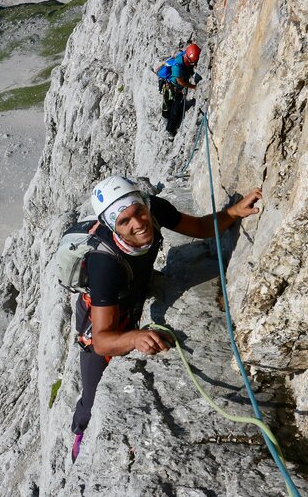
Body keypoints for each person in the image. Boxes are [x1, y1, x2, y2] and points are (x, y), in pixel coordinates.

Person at [70, 175, 262, 461]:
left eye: (138, 212)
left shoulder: (154, 209)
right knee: (93, 390)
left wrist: (231, 213)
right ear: (113, 227)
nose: (138, 223)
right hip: (102, 315)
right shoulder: (104, 264)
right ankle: (80, 436)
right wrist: (134, 337)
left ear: (144, 204)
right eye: (124, 222)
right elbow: (102, 341)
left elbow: (197, 226)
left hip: (132, 294)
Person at [156, 43, 202, 135]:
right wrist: (194, 87)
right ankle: (170, 130)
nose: (193, 64)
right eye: (192, 62)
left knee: (172, 107)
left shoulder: (186, 54)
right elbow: (180, 81)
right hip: (172, 88)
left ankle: (167, 118)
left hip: (177, 87)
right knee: (172, 109)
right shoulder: (177, 66)